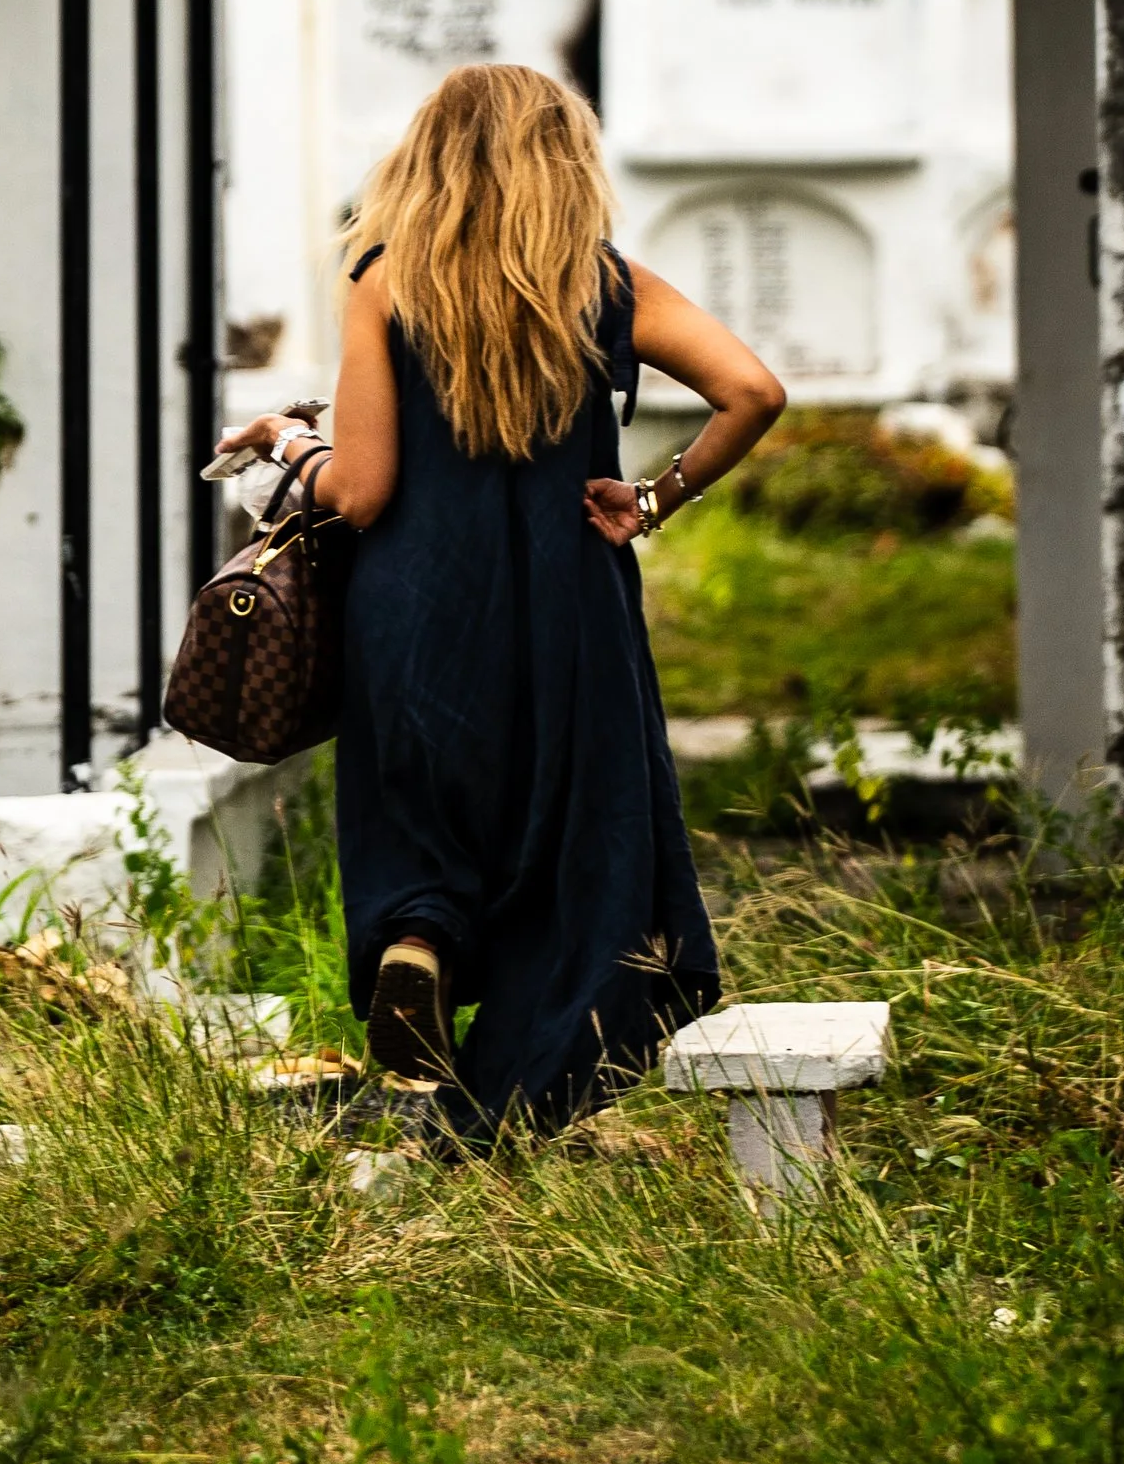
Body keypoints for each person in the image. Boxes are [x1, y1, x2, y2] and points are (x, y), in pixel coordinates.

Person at [224, 62, 784, 1131]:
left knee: (422, 815)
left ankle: (418, 940)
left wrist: (288, 444)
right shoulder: (606, 284)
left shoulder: (384, 279)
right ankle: (515, 1111)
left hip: (413, 609)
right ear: (563, 162)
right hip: (570, 612)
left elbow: (364, 488)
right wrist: (654, 500)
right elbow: (753, 390)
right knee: (570, 842)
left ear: (428, 157)